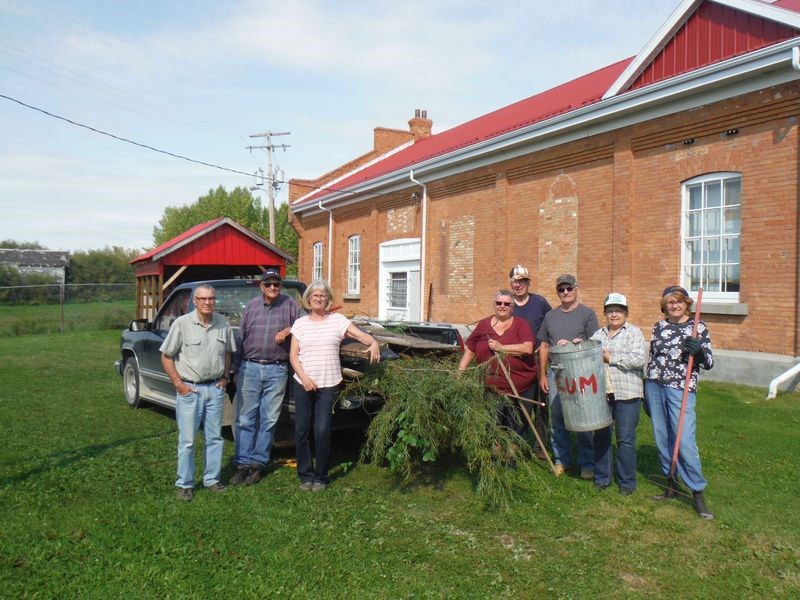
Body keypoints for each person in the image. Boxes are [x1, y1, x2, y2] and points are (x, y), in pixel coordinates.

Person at [289, 281, 381, 491]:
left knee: (322, 430)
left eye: (322, 295)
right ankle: (305, 475)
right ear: (308, 299)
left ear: (327, 299)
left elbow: (359, 335)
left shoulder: (338, 320)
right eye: (315, 295)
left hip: (328, 383)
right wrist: (305, 378)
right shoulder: (300, 324)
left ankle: (321, 476)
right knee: (302, 429)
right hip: (303, 382)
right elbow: (293, 355)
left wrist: (373, 342)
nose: (318, 298)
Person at [160, 284, 236, 502]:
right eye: (202, 299)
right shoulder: (182, 324)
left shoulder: (222, 323)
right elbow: (166, 356)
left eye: (211, 298)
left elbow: (228, 352)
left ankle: (212, 479)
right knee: (188, 440)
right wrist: (178, 384)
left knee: (215, 437)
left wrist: (225, 377)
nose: (207, 303)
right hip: (189, 390)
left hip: (215, 389)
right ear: (195, 301)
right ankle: (185, 484)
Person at [645, 285, 714, 520]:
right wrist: (647, 390)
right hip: (654, 385)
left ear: (686, 303)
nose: (674, 305)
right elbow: (652, 357)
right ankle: (671, 485)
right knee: (662, 437)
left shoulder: (697, 327)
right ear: (665, 305)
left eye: (679, 302)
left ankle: (697, 491)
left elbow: (709, 362)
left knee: (683, 439)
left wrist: (700, 352)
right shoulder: (659, 326)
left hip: (680, 388)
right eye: (670, 302)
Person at [229, 268, 302, 487]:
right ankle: (242, 463)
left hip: (277, 369)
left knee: (269, 419)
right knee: (246, 418)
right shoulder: (251, 307)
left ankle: (258, 464)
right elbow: (241, 337)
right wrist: (235, 368)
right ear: (261, 286)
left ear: (281, 286)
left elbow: (306, 324)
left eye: (276, 284)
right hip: (249, 368)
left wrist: (289, 328)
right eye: (268, 284)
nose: (272, 287)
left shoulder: (290, 305)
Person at [538, 274, 600, 478]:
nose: (565, 292)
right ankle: (561, 459)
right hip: (556, 372)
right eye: (561, 289)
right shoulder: (550, 316)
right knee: (557, 417)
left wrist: (576, 345)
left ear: (576, 288)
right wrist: (543, 375)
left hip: (580, 373)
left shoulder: (587, 314)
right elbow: (544, 345)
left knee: (582, 416)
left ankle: (587, 463)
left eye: (569, 288)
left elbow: (596, 344)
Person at [589, 293, 647, 494]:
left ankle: (626, 483)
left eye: (619, 311)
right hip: (603, 394)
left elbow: (639, 359)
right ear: (605, 313)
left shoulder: (634, 333)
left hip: (627, 394)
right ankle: (602, 477)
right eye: (610, 311)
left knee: (625, 439)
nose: (614, 315)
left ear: (626, 313)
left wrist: (610, 357)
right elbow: (588, 358)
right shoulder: (597, 335)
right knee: (602, 436)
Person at [458, 289, 537, 436]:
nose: (502, 306)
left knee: (517, 428)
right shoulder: (483, 325)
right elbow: (470, 349)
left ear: (512, 307)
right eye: (498, 302)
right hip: (491, 389)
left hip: (519, 388)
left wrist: (502, 348)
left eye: (507, 303)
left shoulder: (521, 324)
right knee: (494, 427)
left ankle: (514, 457)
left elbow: (528, 348)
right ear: (493, 305)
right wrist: (460, 373)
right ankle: (496, 456)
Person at [508, 265, 552, 458]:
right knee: (520, 403)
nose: (519, 285)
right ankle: (518, 440)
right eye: (515, 281)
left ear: (528, 283)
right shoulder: (508, 305)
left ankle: (541, 445)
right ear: (510, 283)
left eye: (522, 281)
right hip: (517, 360)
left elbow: (550, 323)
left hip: (538, 358)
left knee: (541, 404)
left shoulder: (539, 302)